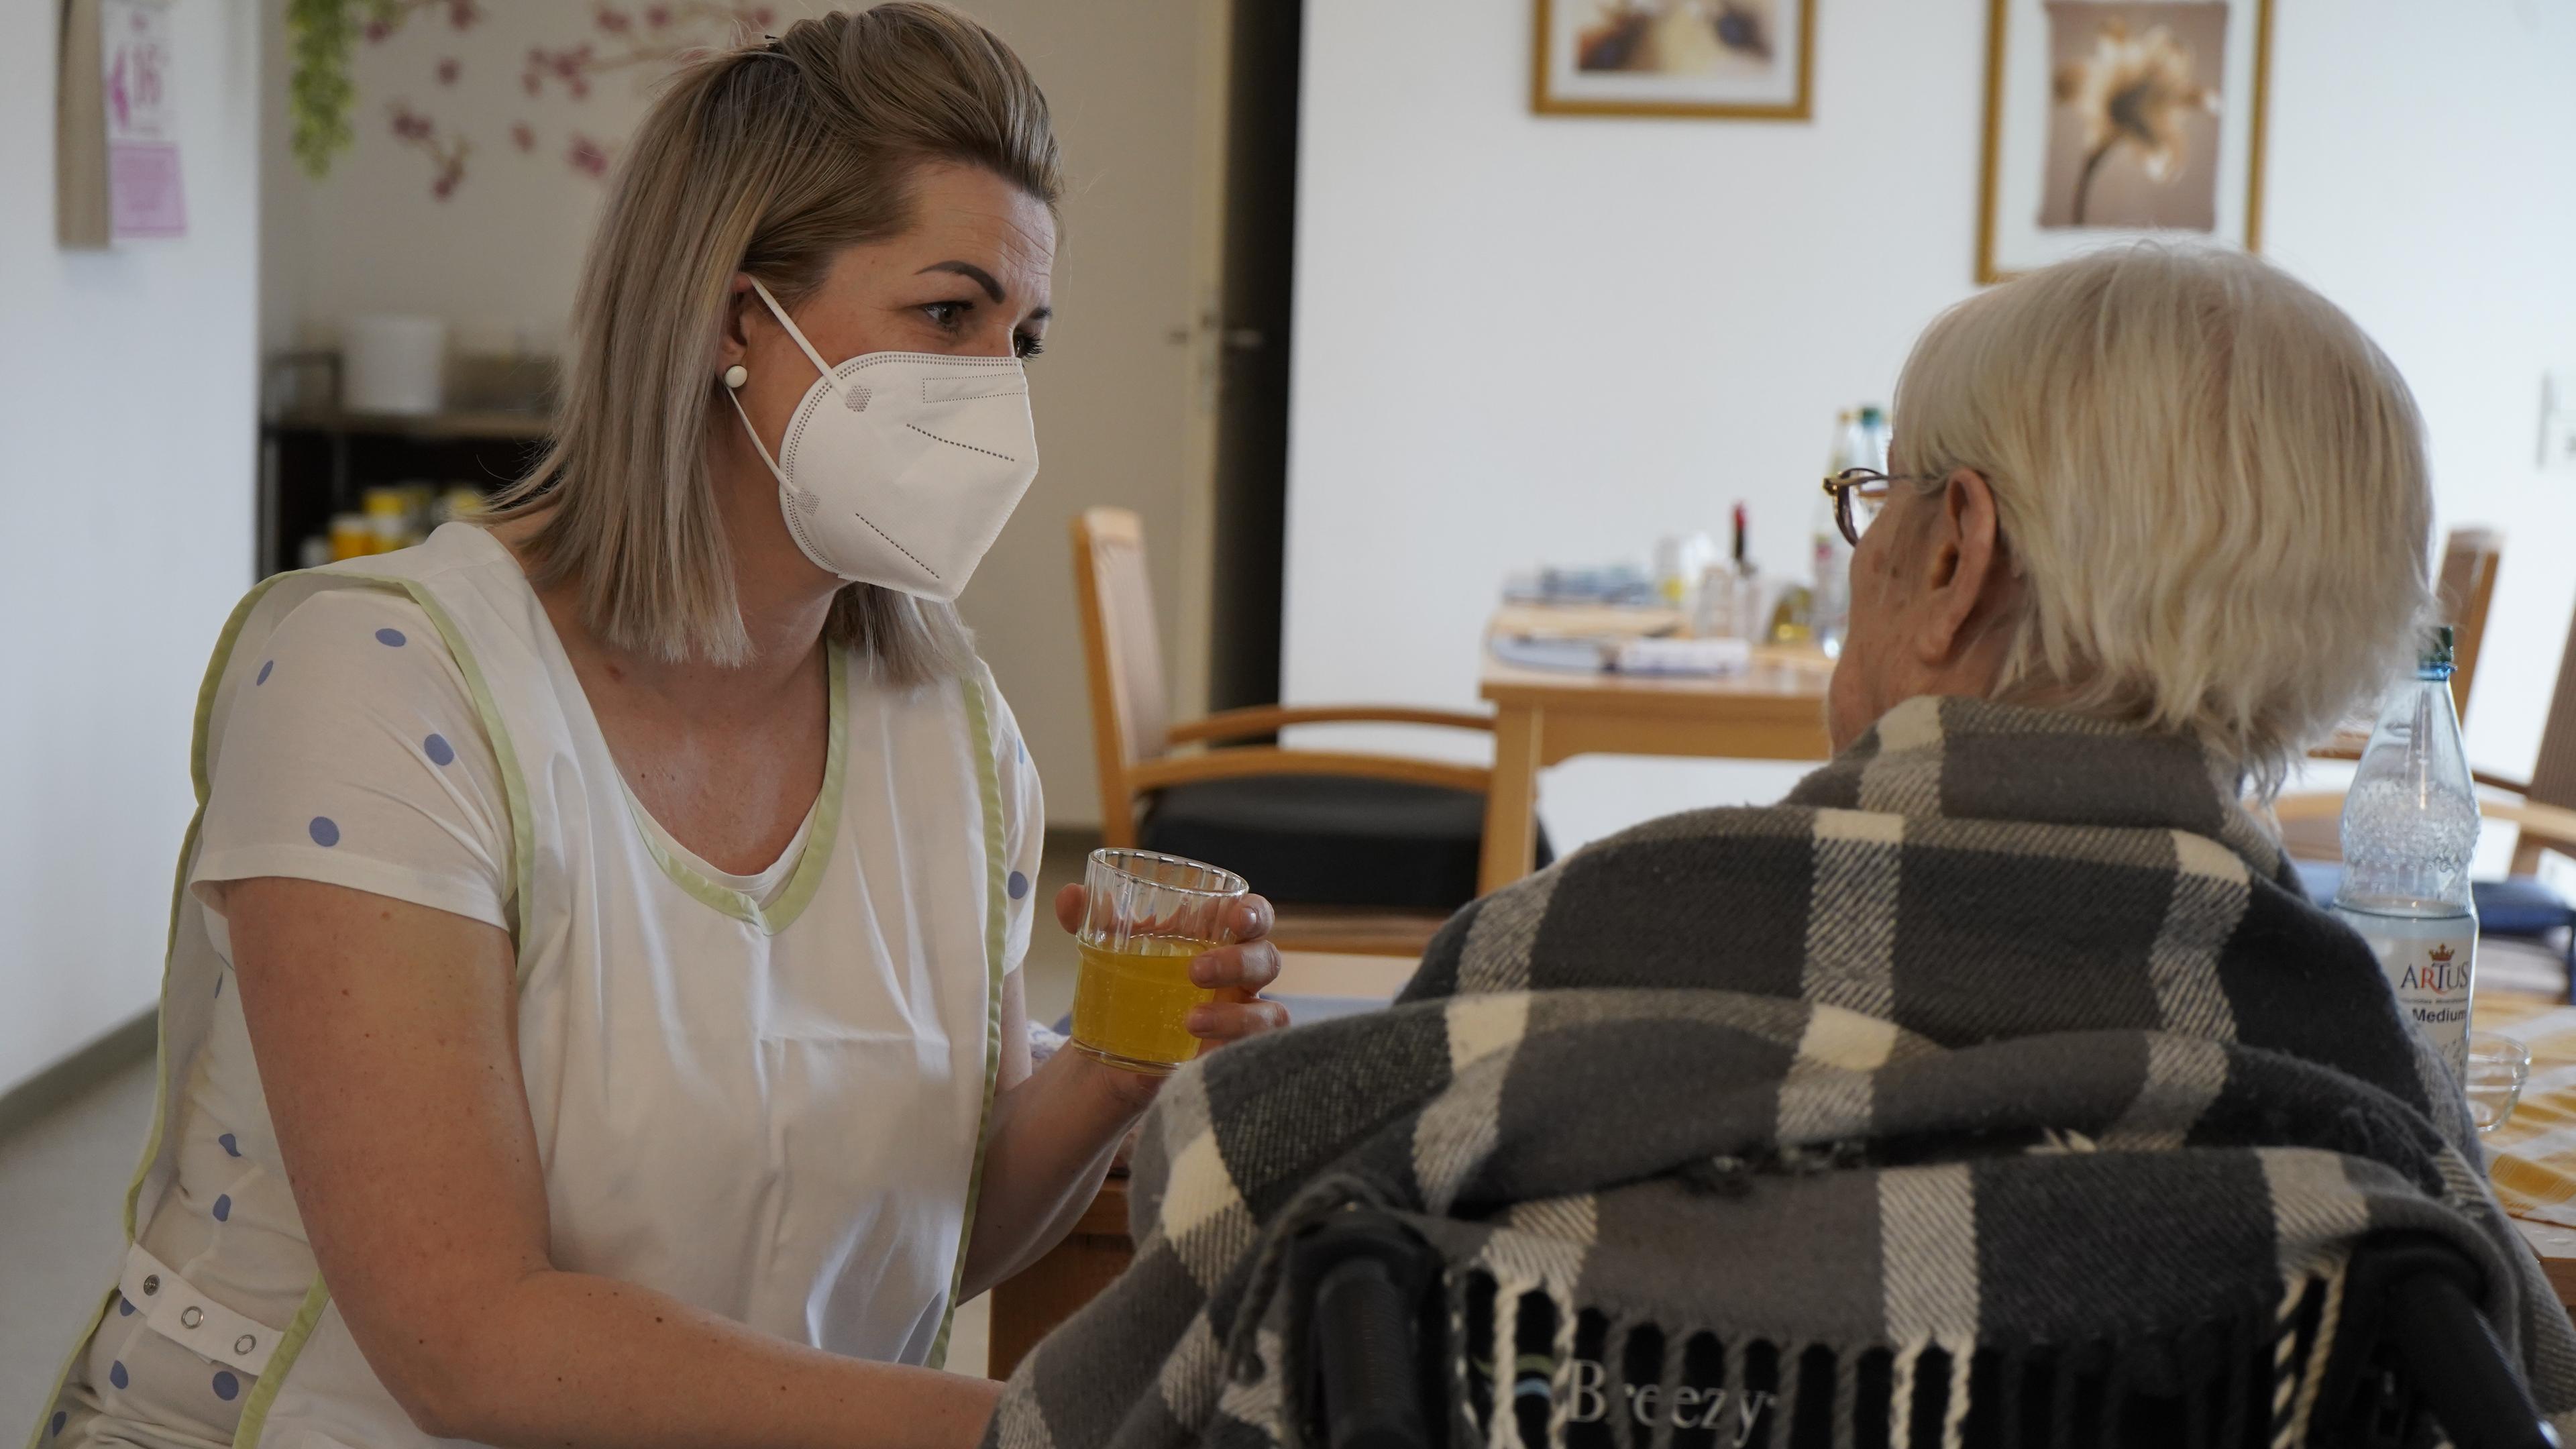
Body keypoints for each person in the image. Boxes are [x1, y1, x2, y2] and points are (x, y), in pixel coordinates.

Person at [983, 244, 2576, 1448]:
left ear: (1953, 554)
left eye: (1880, 499)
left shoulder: (1554, 954)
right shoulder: (2364, 1084)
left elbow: (1140, 1361)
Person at [34, 9, 1285, 1448]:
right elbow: (469, 1341)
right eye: (950, 314)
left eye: (1026, 336)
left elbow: (933, 1229)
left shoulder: (951, 737)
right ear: (734, 321)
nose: (1000, 388)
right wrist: (1023, 1428)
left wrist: (1114, 1071)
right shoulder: (384, 683)